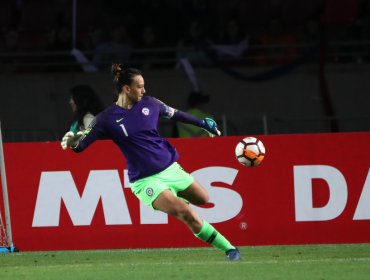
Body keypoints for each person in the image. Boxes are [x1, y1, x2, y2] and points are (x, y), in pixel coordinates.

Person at [61, 63, 241, 261]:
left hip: (171, 168)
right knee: (186, 213)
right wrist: (73, 142)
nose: (144, 90)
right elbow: (81, 145)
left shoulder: (151, 104)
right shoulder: (106, 119)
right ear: (126, 89)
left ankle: (174, 196)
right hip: (146, 181)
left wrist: (202, 122)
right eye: (140, 86)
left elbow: (176, 114)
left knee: (204, 199)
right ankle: (230, 250)